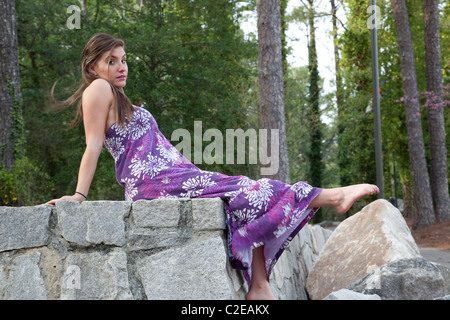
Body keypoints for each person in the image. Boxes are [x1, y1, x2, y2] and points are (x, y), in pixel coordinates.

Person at [47, 33, 379, 300]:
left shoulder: (119, 97)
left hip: (175, 177)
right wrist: (78, 195)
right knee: (256, 188)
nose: (121, 67)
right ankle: (330, 198)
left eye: (123, 59)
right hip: (155, 185)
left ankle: (260, 285)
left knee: (249, 193)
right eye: (111, 61)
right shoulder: (99, 89)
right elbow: (92, 145)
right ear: (92, 67)